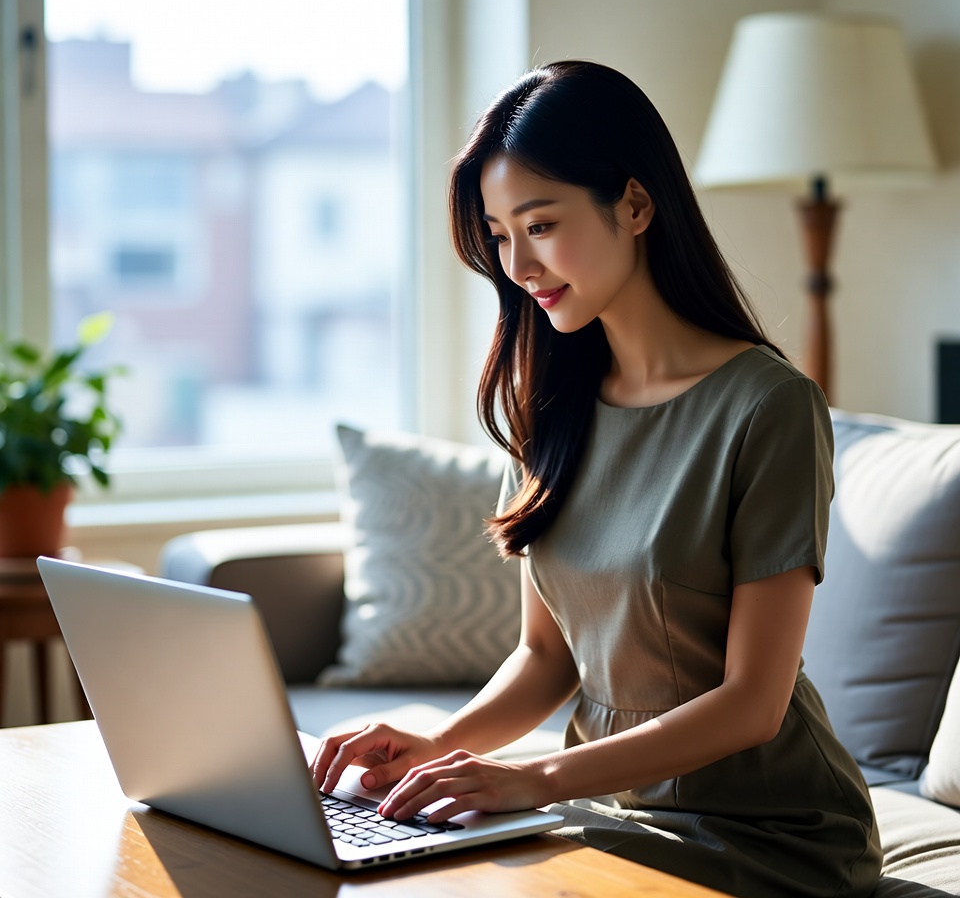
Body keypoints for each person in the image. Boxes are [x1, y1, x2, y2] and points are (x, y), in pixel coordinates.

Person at [313, 60, 882, 898]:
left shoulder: (770, 408)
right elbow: (544, 658)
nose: (519, 265)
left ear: (636, 206)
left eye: (540, 225)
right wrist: (442, 747)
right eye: (500, 236)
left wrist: (538, 781)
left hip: (771, 835)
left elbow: (754, 703)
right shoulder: (555, 410)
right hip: (609, 810)